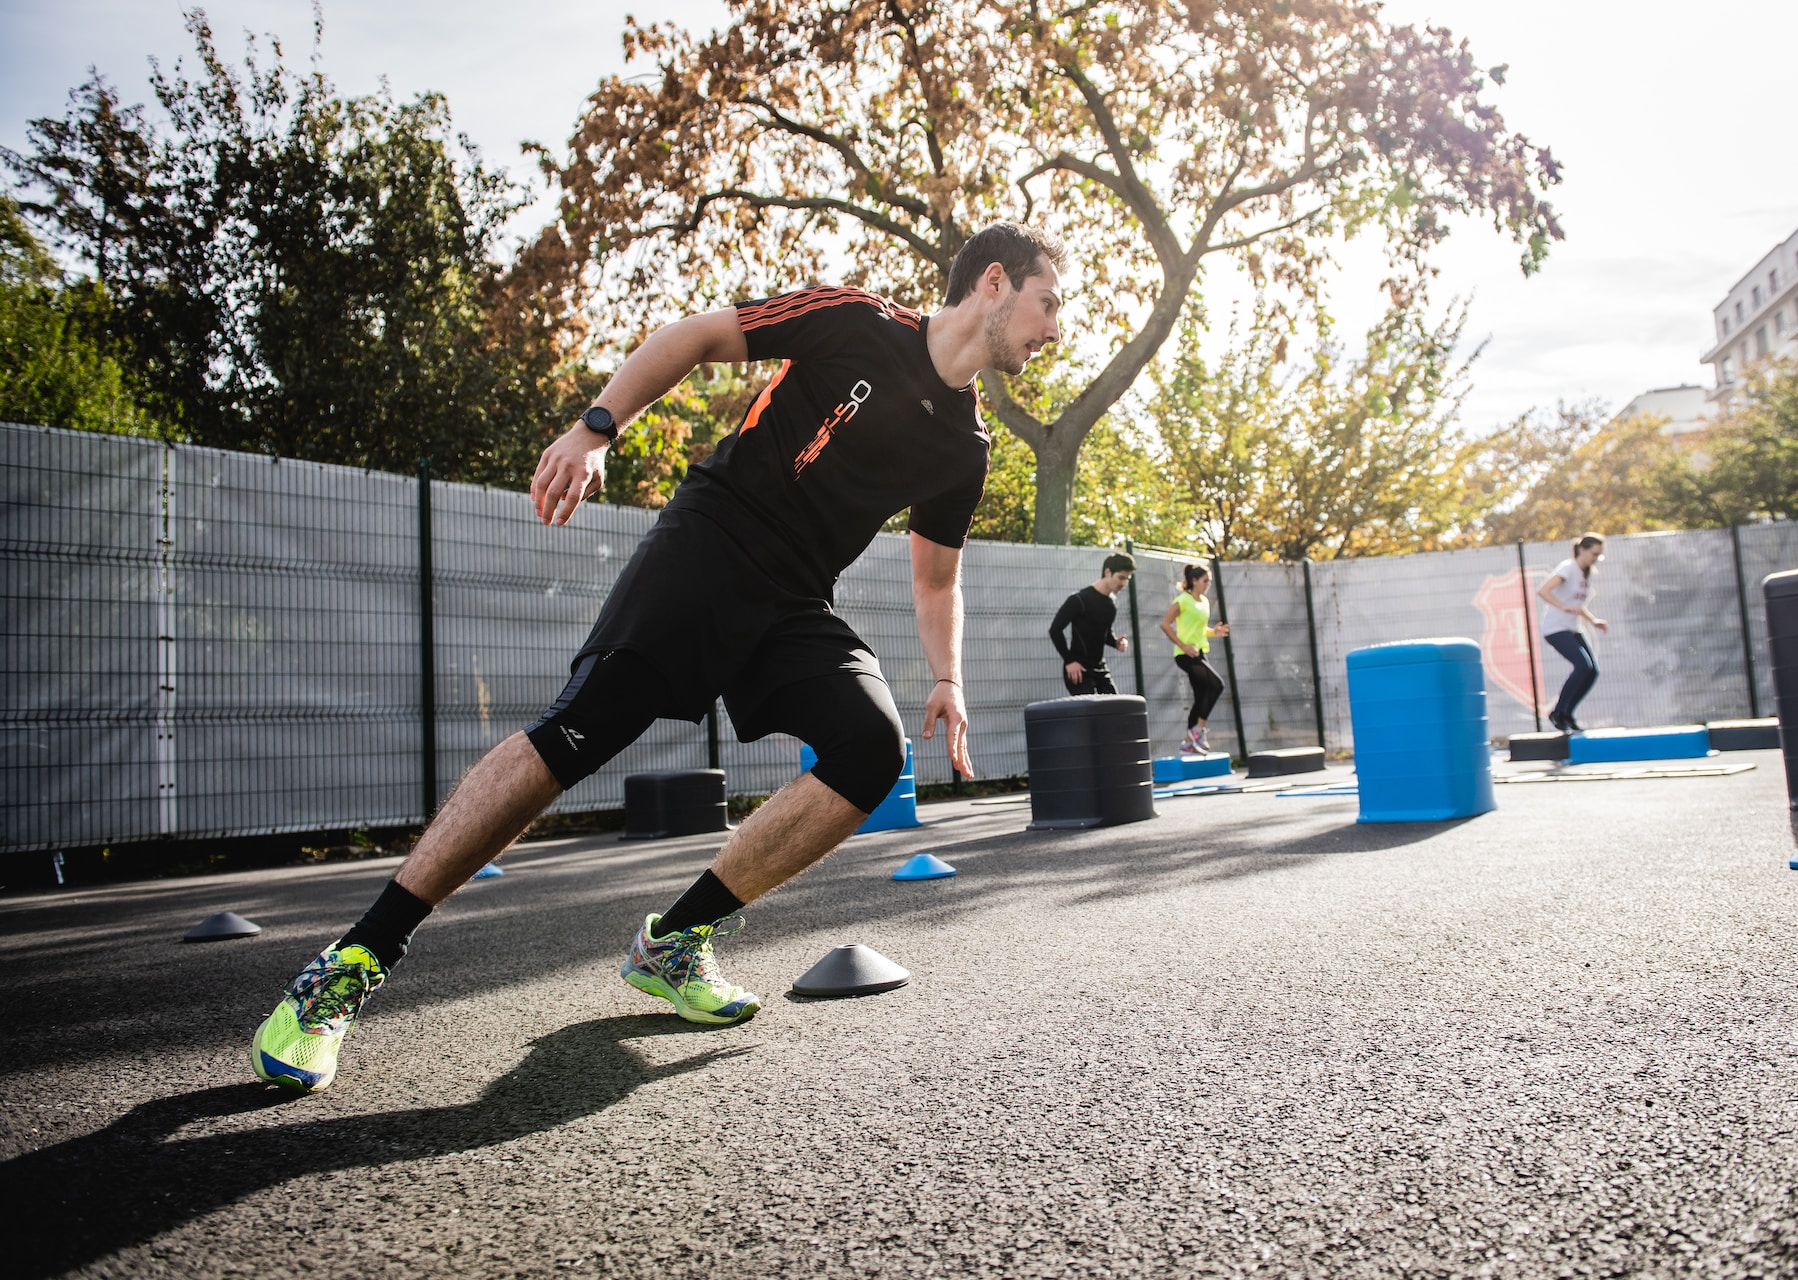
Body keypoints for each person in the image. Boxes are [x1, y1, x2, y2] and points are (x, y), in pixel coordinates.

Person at [249, 222, 1068, 1092]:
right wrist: (597, 427)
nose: (1054, 330)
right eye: (1048, 304)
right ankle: (348, 965)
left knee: (871, 749)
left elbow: (938, 582)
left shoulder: (965, 447)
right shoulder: (858, 320)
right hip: (711, 542)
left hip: (794, 600)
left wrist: (948, 678)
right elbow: (700, 335)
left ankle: (675, 942)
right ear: (992, 282)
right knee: (577, 735)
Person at [1535, 533, 1610, 734]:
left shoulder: (1585, 575)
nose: (1595, 558)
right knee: (1582, 665)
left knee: (1592, 671)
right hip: (1555, 628)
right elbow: (1543, 590)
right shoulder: (1568, 568)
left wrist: (1593, 621)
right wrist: (1563, 607)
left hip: (1573, 628)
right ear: (1582, 550)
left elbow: (1577, 605)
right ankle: (1558, 711)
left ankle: (1567, 714)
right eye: (1594, 554)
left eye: (1599, 555)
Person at [1158, 563, 1230, 754]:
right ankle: (1199, 730)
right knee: (1217, 685)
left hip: (1200, 652)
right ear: (1194, 581)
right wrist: (1183, 646)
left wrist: (1214, 631)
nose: (1208, 584)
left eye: (1210, 581)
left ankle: (1188, 744)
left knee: (1200, 697)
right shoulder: (1182, 600)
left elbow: (1199, 630)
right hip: (1185, 655)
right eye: (1205, 581)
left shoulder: (1204, 602)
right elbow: (1165, 624)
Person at [1048, 553, 1134, 694]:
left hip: (1101, 669)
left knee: (1116, 710)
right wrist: (1069, 661)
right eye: (1121, 577)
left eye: (1127, 579)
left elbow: (1103, 633)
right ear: (1108, 572)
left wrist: (1116, 642)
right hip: (1079, 669)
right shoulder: (1079, 600)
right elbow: (1055, 630)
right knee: (1092, 712)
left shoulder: (1111, 604)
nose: (1124, 583)